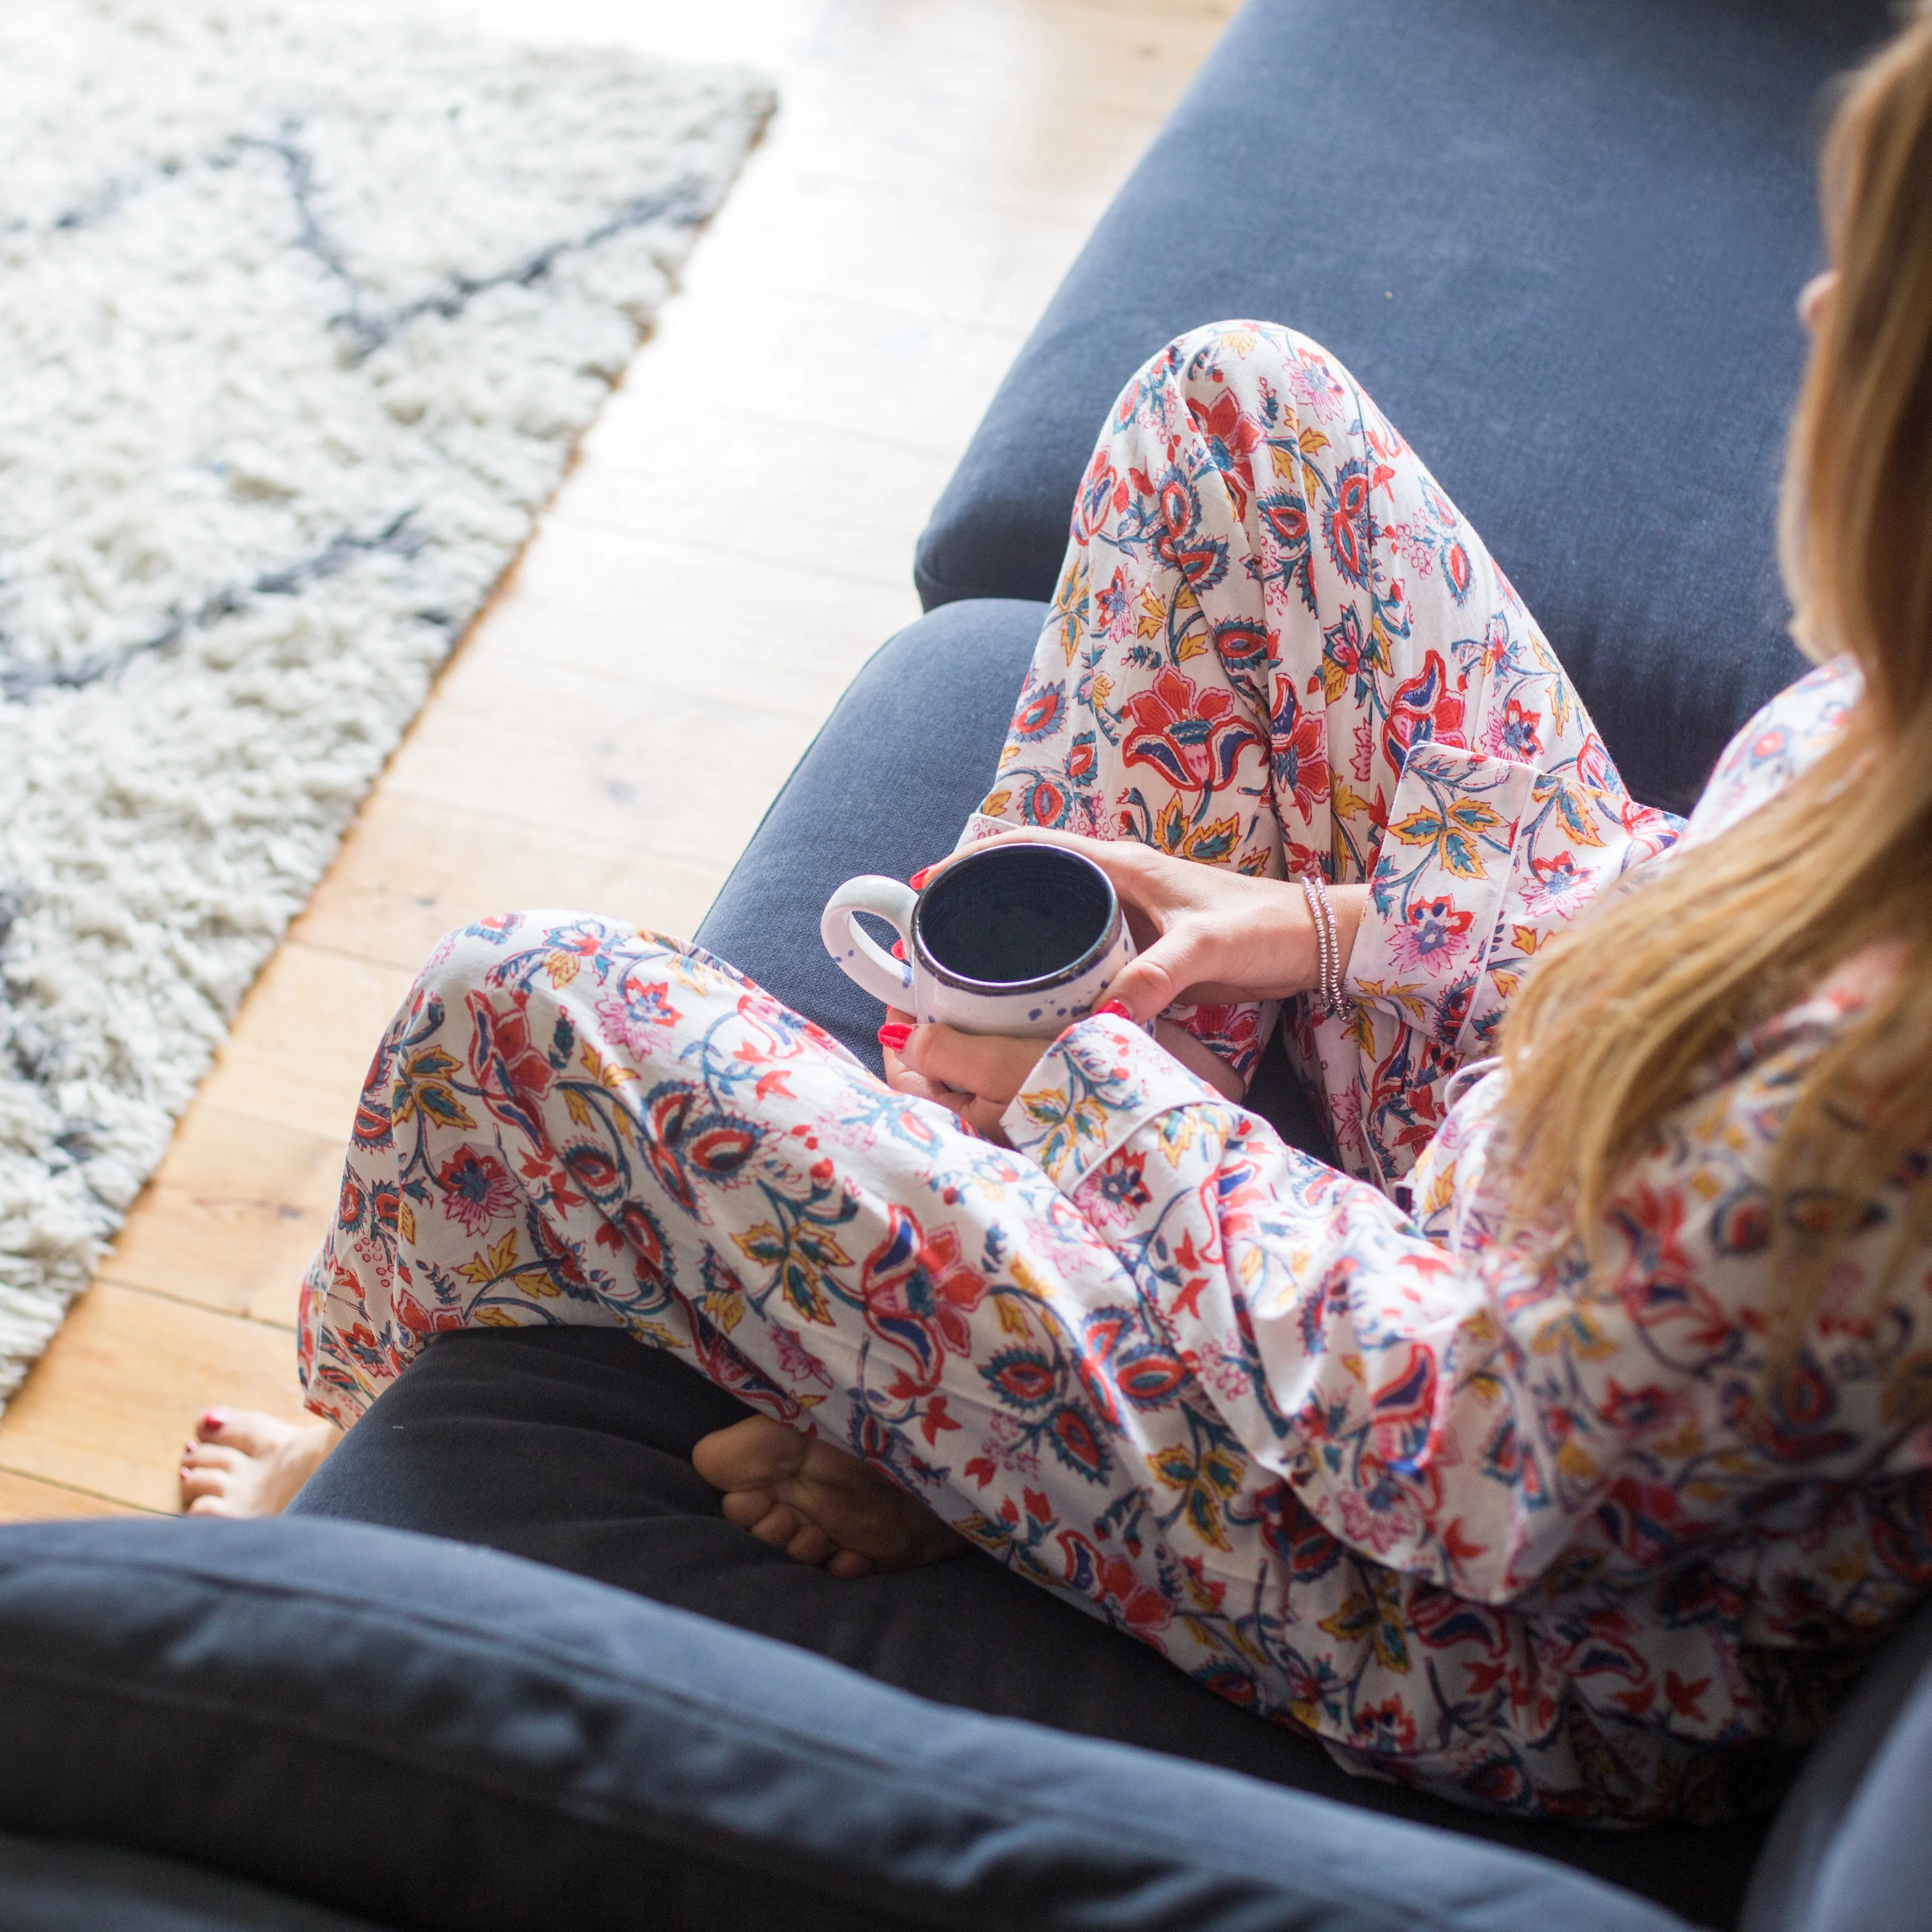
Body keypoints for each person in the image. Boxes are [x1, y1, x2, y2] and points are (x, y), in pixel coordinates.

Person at [179, 8, 1932, 1827]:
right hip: (1533, 1177)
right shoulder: (1888, 721)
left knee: (520, 1013)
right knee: (1237, 415)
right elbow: (1685, 901)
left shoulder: (1868, 1099)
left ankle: (349, 1519)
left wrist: (1102, 1102)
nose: (1811, 316)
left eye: (1874, 287)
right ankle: (928, 1326)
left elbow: (1475, 1464)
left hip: (1468, 1599)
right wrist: (1326, 926)